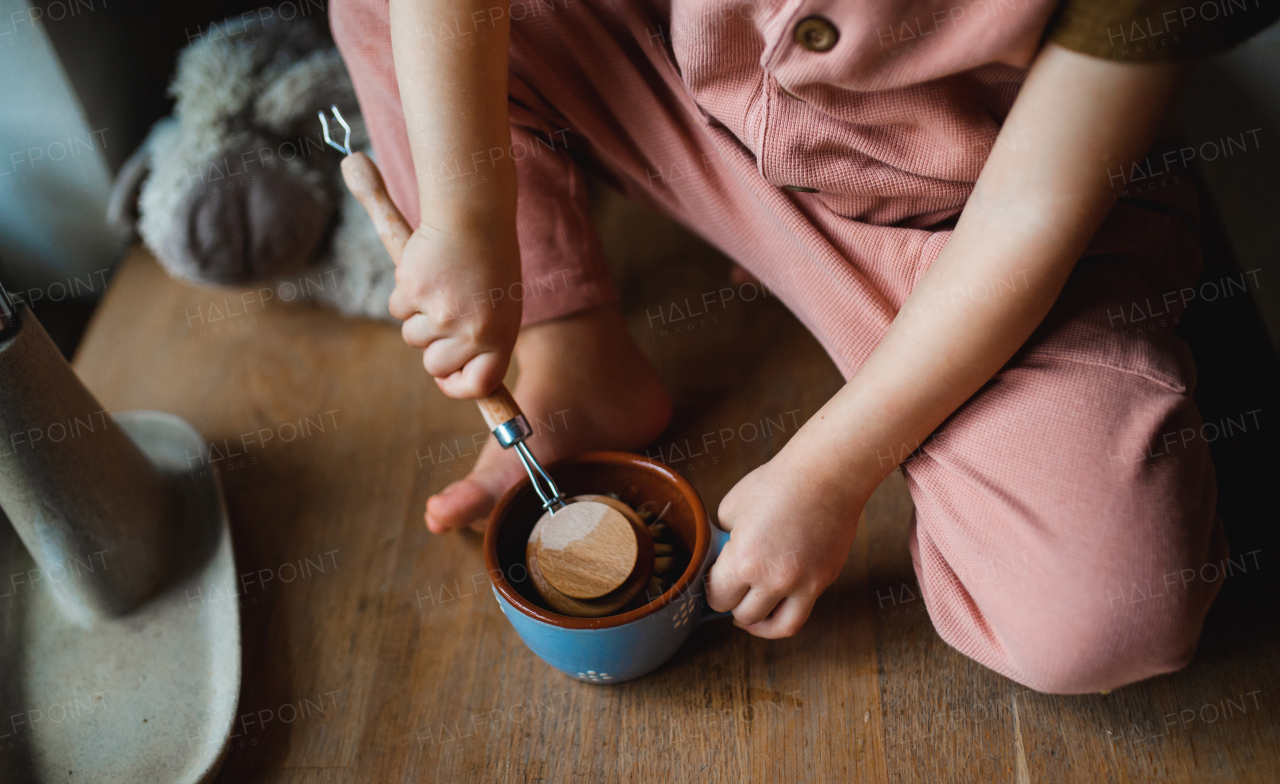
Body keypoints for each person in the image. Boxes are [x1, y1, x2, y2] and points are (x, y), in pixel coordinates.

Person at [331, 0, 1277, 692]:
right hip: (681, 110)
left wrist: (831, 469)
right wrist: (468, 212)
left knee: (1107, 611)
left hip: (972, 241)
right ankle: (569, 345)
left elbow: (1030, 214)